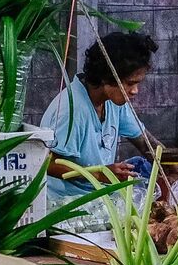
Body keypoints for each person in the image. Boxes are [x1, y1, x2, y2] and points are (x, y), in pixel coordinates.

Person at [41, 30, 162, 201]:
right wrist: (100, 173)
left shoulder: (114, 100)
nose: (135, 91)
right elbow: (48, 163)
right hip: (66, 203)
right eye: (130, 84)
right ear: (106, 77)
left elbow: (144, 141)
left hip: (101, 196)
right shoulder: (72, 109)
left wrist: (170, 161)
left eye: (137, 83)